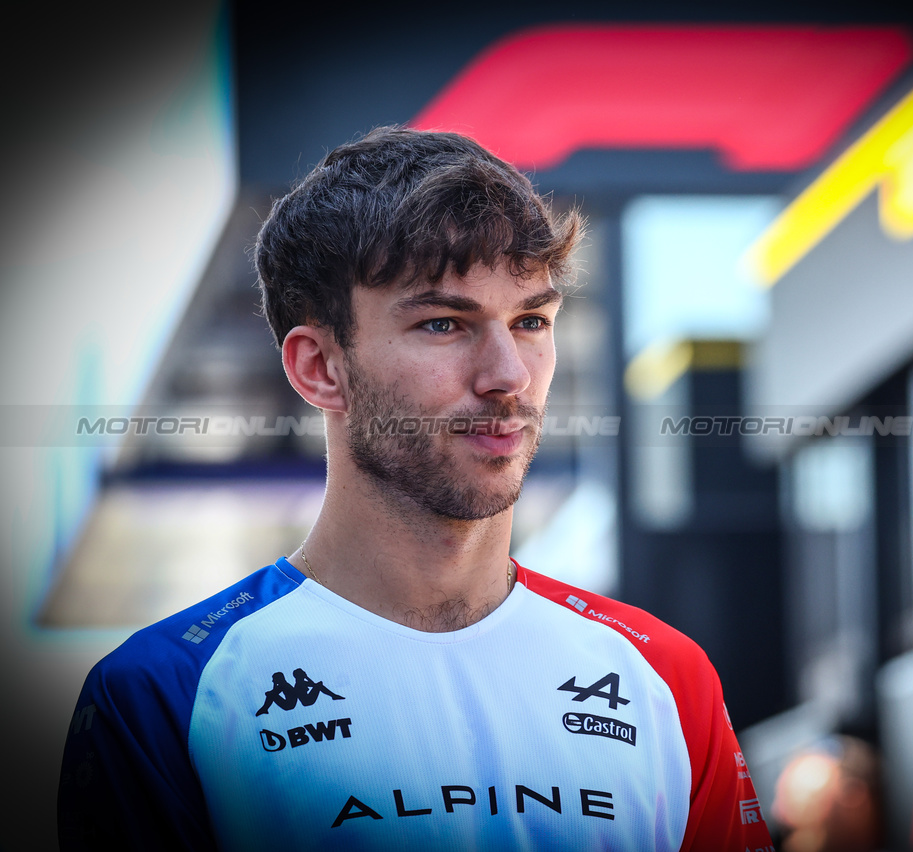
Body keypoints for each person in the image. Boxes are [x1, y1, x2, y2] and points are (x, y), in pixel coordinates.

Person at [57, 126, 774, 851]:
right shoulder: (165, 692)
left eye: (531, 321)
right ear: (319, 369)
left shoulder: (662, 673)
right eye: (443, 323)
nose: (509, 375)